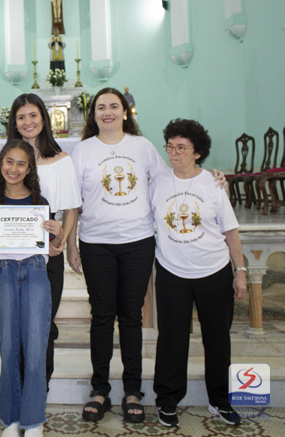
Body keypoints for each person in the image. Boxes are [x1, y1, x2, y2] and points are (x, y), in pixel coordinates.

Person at [67, 88, 226, 423]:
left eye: (114, 106)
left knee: (131, 317)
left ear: (125, 112)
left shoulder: (142, 146)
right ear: (93, 114)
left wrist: (211, 176)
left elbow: (173, 175)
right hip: (96, 244)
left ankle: (132, 390)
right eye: (101, 107)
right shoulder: (83, 150)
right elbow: (72, 201)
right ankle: (99, 389)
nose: (107, 112)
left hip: (137, 243)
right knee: (101, 317)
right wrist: (71, 244)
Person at [151, 119, 246, 428]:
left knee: (217, 338)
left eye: (182, 147)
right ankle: (167, 400)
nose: (173, 152)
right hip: (172, 272)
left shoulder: (213, 184)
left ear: (198, 152)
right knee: (171, 338)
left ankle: (221, 400)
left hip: (214, 271)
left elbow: (230, 230)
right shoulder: (158, 181)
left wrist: (240, 270)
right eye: (170, 146)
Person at [0, 140, 63, 437]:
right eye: (9, 162)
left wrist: (58, 234)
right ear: (0, 165)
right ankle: (10, 418)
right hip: (6, 273)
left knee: (35, 349)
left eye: (21, 163)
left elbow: (53, 247)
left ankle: (33, 421)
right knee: (9, 349)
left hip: (35, 272)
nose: (14, 168)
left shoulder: (40, 203)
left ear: (29, 169)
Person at [0, 93, 82, 389]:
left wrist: (63, 241)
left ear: (44, 118)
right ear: (13, 123)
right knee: (13, 329)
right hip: (10, 258)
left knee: (42, 325)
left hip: (47, 255)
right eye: (21, 117)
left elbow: (70, 208)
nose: (27, 122)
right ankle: (17, 389)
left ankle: (39, 388)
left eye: (33, 115)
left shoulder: (62, 160)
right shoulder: (3, 159)